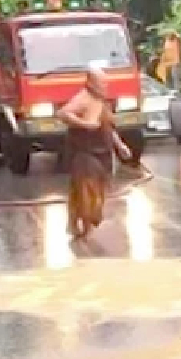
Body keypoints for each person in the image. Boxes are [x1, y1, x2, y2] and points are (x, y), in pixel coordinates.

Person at [57, 64, 134, 241]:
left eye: (106, 82)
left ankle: (86, 220)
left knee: (99, 188)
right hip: (85, 152)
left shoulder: (101, 101)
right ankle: (83, 221)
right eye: (102, 82)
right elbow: (63, 113)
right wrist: (85, 124)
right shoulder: (82, 98)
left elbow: (108, 127)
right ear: (91, 82)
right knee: (86, 189)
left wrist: (120, 145)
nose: (106, 86)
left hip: (103, 151)